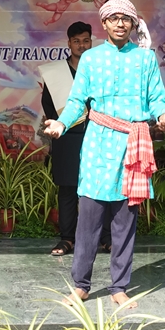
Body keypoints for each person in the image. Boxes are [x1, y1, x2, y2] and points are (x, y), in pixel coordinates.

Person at [45, 0, 165, 309]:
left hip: (132, 145)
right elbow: (77, 101)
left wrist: (162, 114)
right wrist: (61, 123)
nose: (120, 24)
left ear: (132, 24)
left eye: (125, 19)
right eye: (113, 18)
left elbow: (157, 97)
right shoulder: (91, 59)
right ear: (104, 23)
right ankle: (81, 285)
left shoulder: (145, 58)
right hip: (98, 144)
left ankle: (119, 287)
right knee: (88, 219)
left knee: (124, 222)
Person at [39, 21, 111, 256]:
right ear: (69, 43)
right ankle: (67, 239)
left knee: (100, 188)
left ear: (91, 42)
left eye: (86, 40)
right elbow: (48, 104)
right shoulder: (56, 74)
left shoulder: (99, 70)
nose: (82, 45)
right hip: (67, 137)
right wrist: (60, 125)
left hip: (97, 135)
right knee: (68, 189)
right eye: (77, 41)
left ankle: (105, 238)